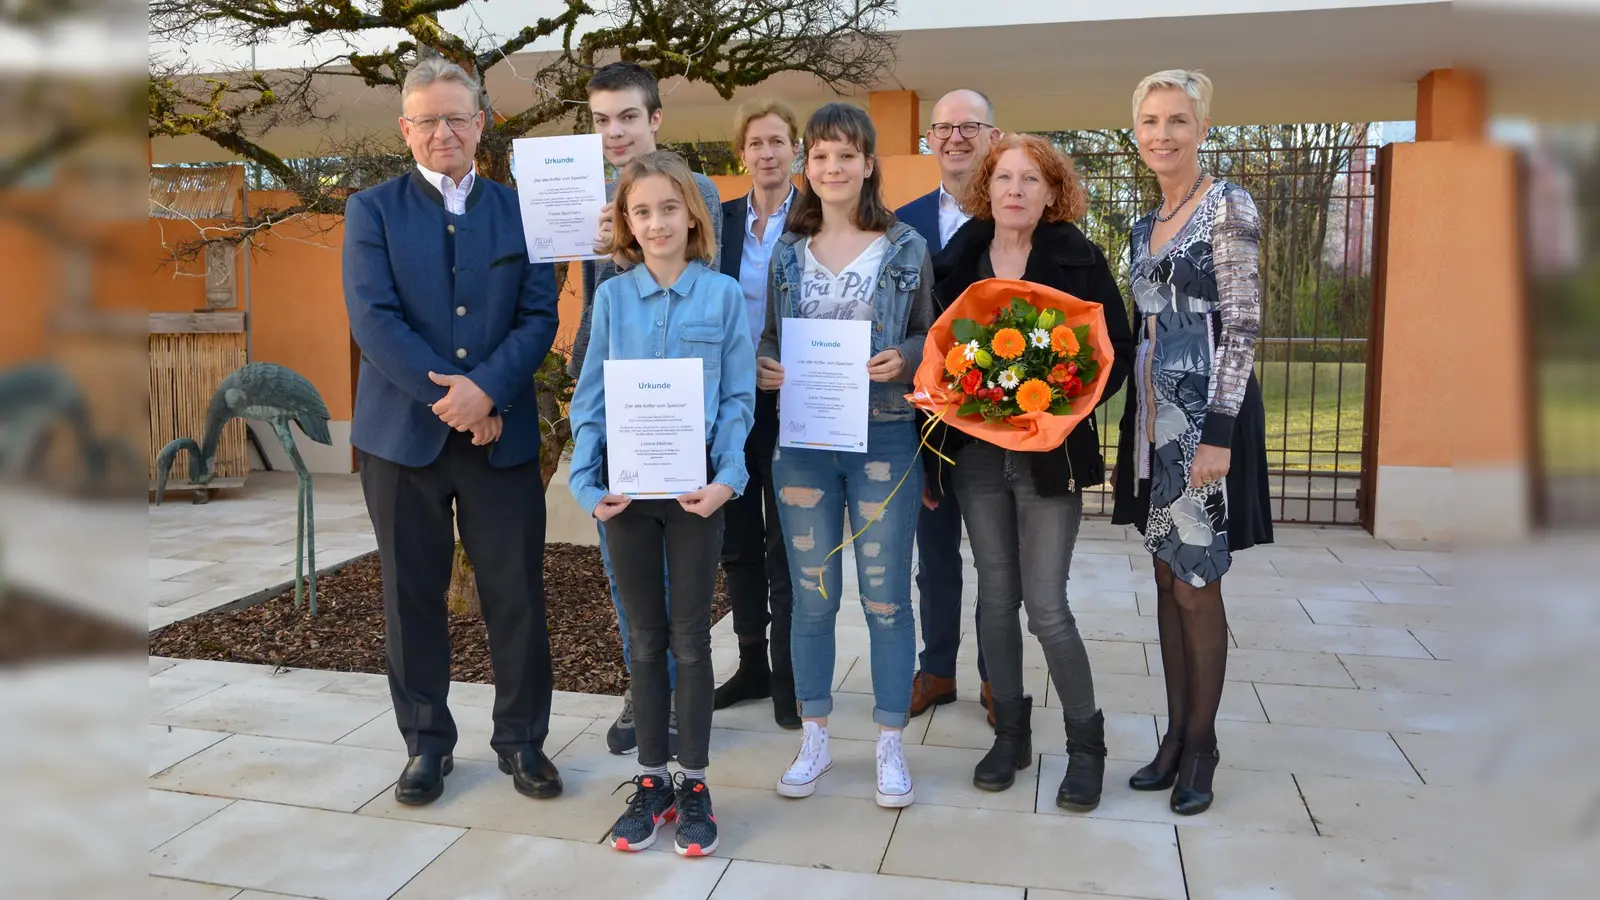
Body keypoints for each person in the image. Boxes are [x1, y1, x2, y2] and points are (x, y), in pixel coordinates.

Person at [342, 57, 562, 806]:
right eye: (427, 119)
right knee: (410, 596)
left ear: (482, 123)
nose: (444, 131)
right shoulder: (370, 210)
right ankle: (426, 745)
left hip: (500, 436)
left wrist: (489, 391)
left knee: (517, 595)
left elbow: (540, 315)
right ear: (406, 130)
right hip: (402, 440)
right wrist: (455, 398)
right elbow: (373, 320)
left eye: (457, 117)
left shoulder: (522, 209)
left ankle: (524, 741)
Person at [925, 135, 1135, 809]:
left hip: (1052, 457)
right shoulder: (957, 259)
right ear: (988, 187)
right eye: (1004, 177)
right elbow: (937, 352)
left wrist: (1070, 407)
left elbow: (1117, 349)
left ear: (1052, 192)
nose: (1016, 189)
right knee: (993, 597)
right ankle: (1009, 734)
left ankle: (1085, 747)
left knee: (1046, 606)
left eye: (1031, 179)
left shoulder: (1077, 256)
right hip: (977, 458)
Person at [568, 150, 754, 856]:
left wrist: (728, 479)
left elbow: (738, 398)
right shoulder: (613, 299)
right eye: (641, 211)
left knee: (690, 640)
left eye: (668, 209)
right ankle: (651, 782)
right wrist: (587, 485)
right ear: (625, 222)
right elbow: (590, 400)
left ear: (692, 215)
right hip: (626, 499)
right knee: (643, 642)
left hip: (696, 498)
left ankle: (695, 782)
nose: (656, 223)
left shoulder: (724, 297)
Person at [758, 102, 933, 809]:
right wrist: (767, 364)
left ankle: (889, 743)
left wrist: (909, 357)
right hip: (802, 444)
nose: (832, 168)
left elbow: (930, 335)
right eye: (820, 156)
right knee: (812, 600)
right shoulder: (785, 250)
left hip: (885, 440)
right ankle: (816, 735)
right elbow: (771, 337)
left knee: (888, 601)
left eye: (846, 155)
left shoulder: (906, 246)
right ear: (807, 166)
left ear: (868, 164)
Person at [1112, 69, 1274, 816]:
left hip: (1204, 417)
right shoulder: (1145, 226)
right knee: (1163, 582)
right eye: (1149, 121)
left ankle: (1203, 745)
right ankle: (1175, 736)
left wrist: (1220, 435)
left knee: (1196, 583)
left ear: (1202, 128)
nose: (1161, 134)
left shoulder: (1228, 205)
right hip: (1153, 421)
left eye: (1177, 120)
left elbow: (1241, 327)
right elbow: (1140, 326)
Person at [566, 61, 726, 756]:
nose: (615, 132)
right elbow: (594, 310)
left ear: (655, 118)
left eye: (627, 116)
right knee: (622, 563)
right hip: (617, 405)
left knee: (680, 580)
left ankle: (673, 699)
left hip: (682, 411)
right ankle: (644, 689)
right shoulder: (587, 198)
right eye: (601, 120)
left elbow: (697, 289)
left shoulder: (695, 192)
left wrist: (623, 244)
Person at [894, 88, 1003, 724]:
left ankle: (998, 678)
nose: (956, 137)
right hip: (926, 416)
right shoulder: (902, 220)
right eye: (943, 127)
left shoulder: (1016, 212)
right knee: (933, 554)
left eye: (970, 126)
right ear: (930, 138)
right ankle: (936, 671)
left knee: (996, 559)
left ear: (993, 135)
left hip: (999, 420)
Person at [711, 98, 803, 729]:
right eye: (755, 144)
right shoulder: (716, 222)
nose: (766, 154)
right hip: (728, 404)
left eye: (777, 141)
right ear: (740, 154)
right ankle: (750, 665)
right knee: (737, 538)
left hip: (796, 401)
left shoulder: (820, 220)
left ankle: (790, 679)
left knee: (788, 542)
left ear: (795, 148)